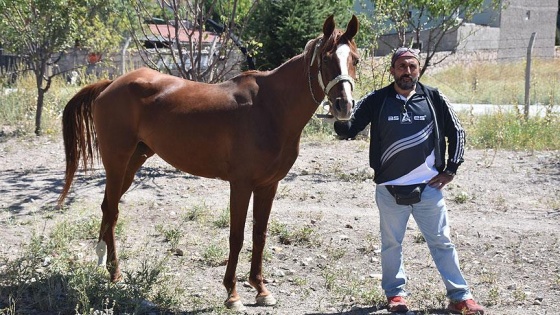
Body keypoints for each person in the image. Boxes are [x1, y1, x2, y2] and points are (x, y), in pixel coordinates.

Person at [333, 47, 484, 315]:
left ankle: (460, 297)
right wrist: (341, 114)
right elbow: (349, 130)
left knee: (442, 243)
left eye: (412, 66)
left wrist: (451, 169)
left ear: (418, 70)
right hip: (389, 191)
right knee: (392, 244)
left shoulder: (433, 98)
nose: (407, 71)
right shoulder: (377, 100)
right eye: (402, 66)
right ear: (392, 70)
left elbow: (457, 132)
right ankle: (396, 296)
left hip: (429, 189)